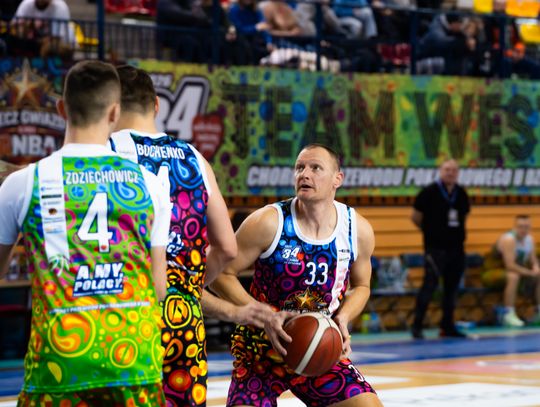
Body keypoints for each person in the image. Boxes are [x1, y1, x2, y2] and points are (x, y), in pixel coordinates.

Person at [0, 60, 171, 406]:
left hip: (59, 362)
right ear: (114, 113)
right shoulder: (151, 184)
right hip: (134, 360)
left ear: (62, 108)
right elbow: (159, 286)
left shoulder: (23, 183)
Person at [109, 65, 269, 407]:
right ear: (156, 105)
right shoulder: (195, 159)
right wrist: (188, 286)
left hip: (124, 310)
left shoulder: (103, 151)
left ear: (110, 107)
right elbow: (227, 248)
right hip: (183, 319)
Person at [211, 143, 383, 407]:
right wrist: (261, 314)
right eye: (300, 167)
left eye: (316, 168)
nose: (305, 174)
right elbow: (220, 273)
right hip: (262, 349)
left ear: (337, 179)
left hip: (318, 343)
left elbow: (362, 286)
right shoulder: (268, 222)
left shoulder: (356, 229)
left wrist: (344, 318)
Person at [411, 159, 471, 339]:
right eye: (447, 169)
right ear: (440, 171)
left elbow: (464, 216)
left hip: (456, 249)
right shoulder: (429, 192)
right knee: (429, 286)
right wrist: (431, 231)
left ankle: (447, 326)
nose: (450, 173)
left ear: (457, 173)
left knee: (451, 290)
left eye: (454, 170)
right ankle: (417, 326)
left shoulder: (461, 193)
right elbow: (416, 217)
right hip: (435, 248)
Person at [494, 215, 540, 327]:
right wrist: (530, 273)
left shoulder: (529, 239)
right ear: (514, 227)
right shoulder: (509, 239)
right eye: (520, 227)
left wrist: (536, 268)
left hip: (518, 270)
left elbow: (533, 260)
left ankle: (538, 311)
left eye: (526, 227)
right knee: (513, 276)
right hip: (494, 271)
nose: (523, 230)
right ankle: (508, 313)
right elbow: (510, 266)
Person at [10, 0, 75, 58]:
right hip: (36, 42)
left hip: (63, 44)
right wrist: (24, 28)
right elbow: (14, 28)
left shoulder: (60, 7)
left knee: (49, 47)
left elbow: (56, 39)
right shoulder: (26, 3)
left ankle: (42, 65)